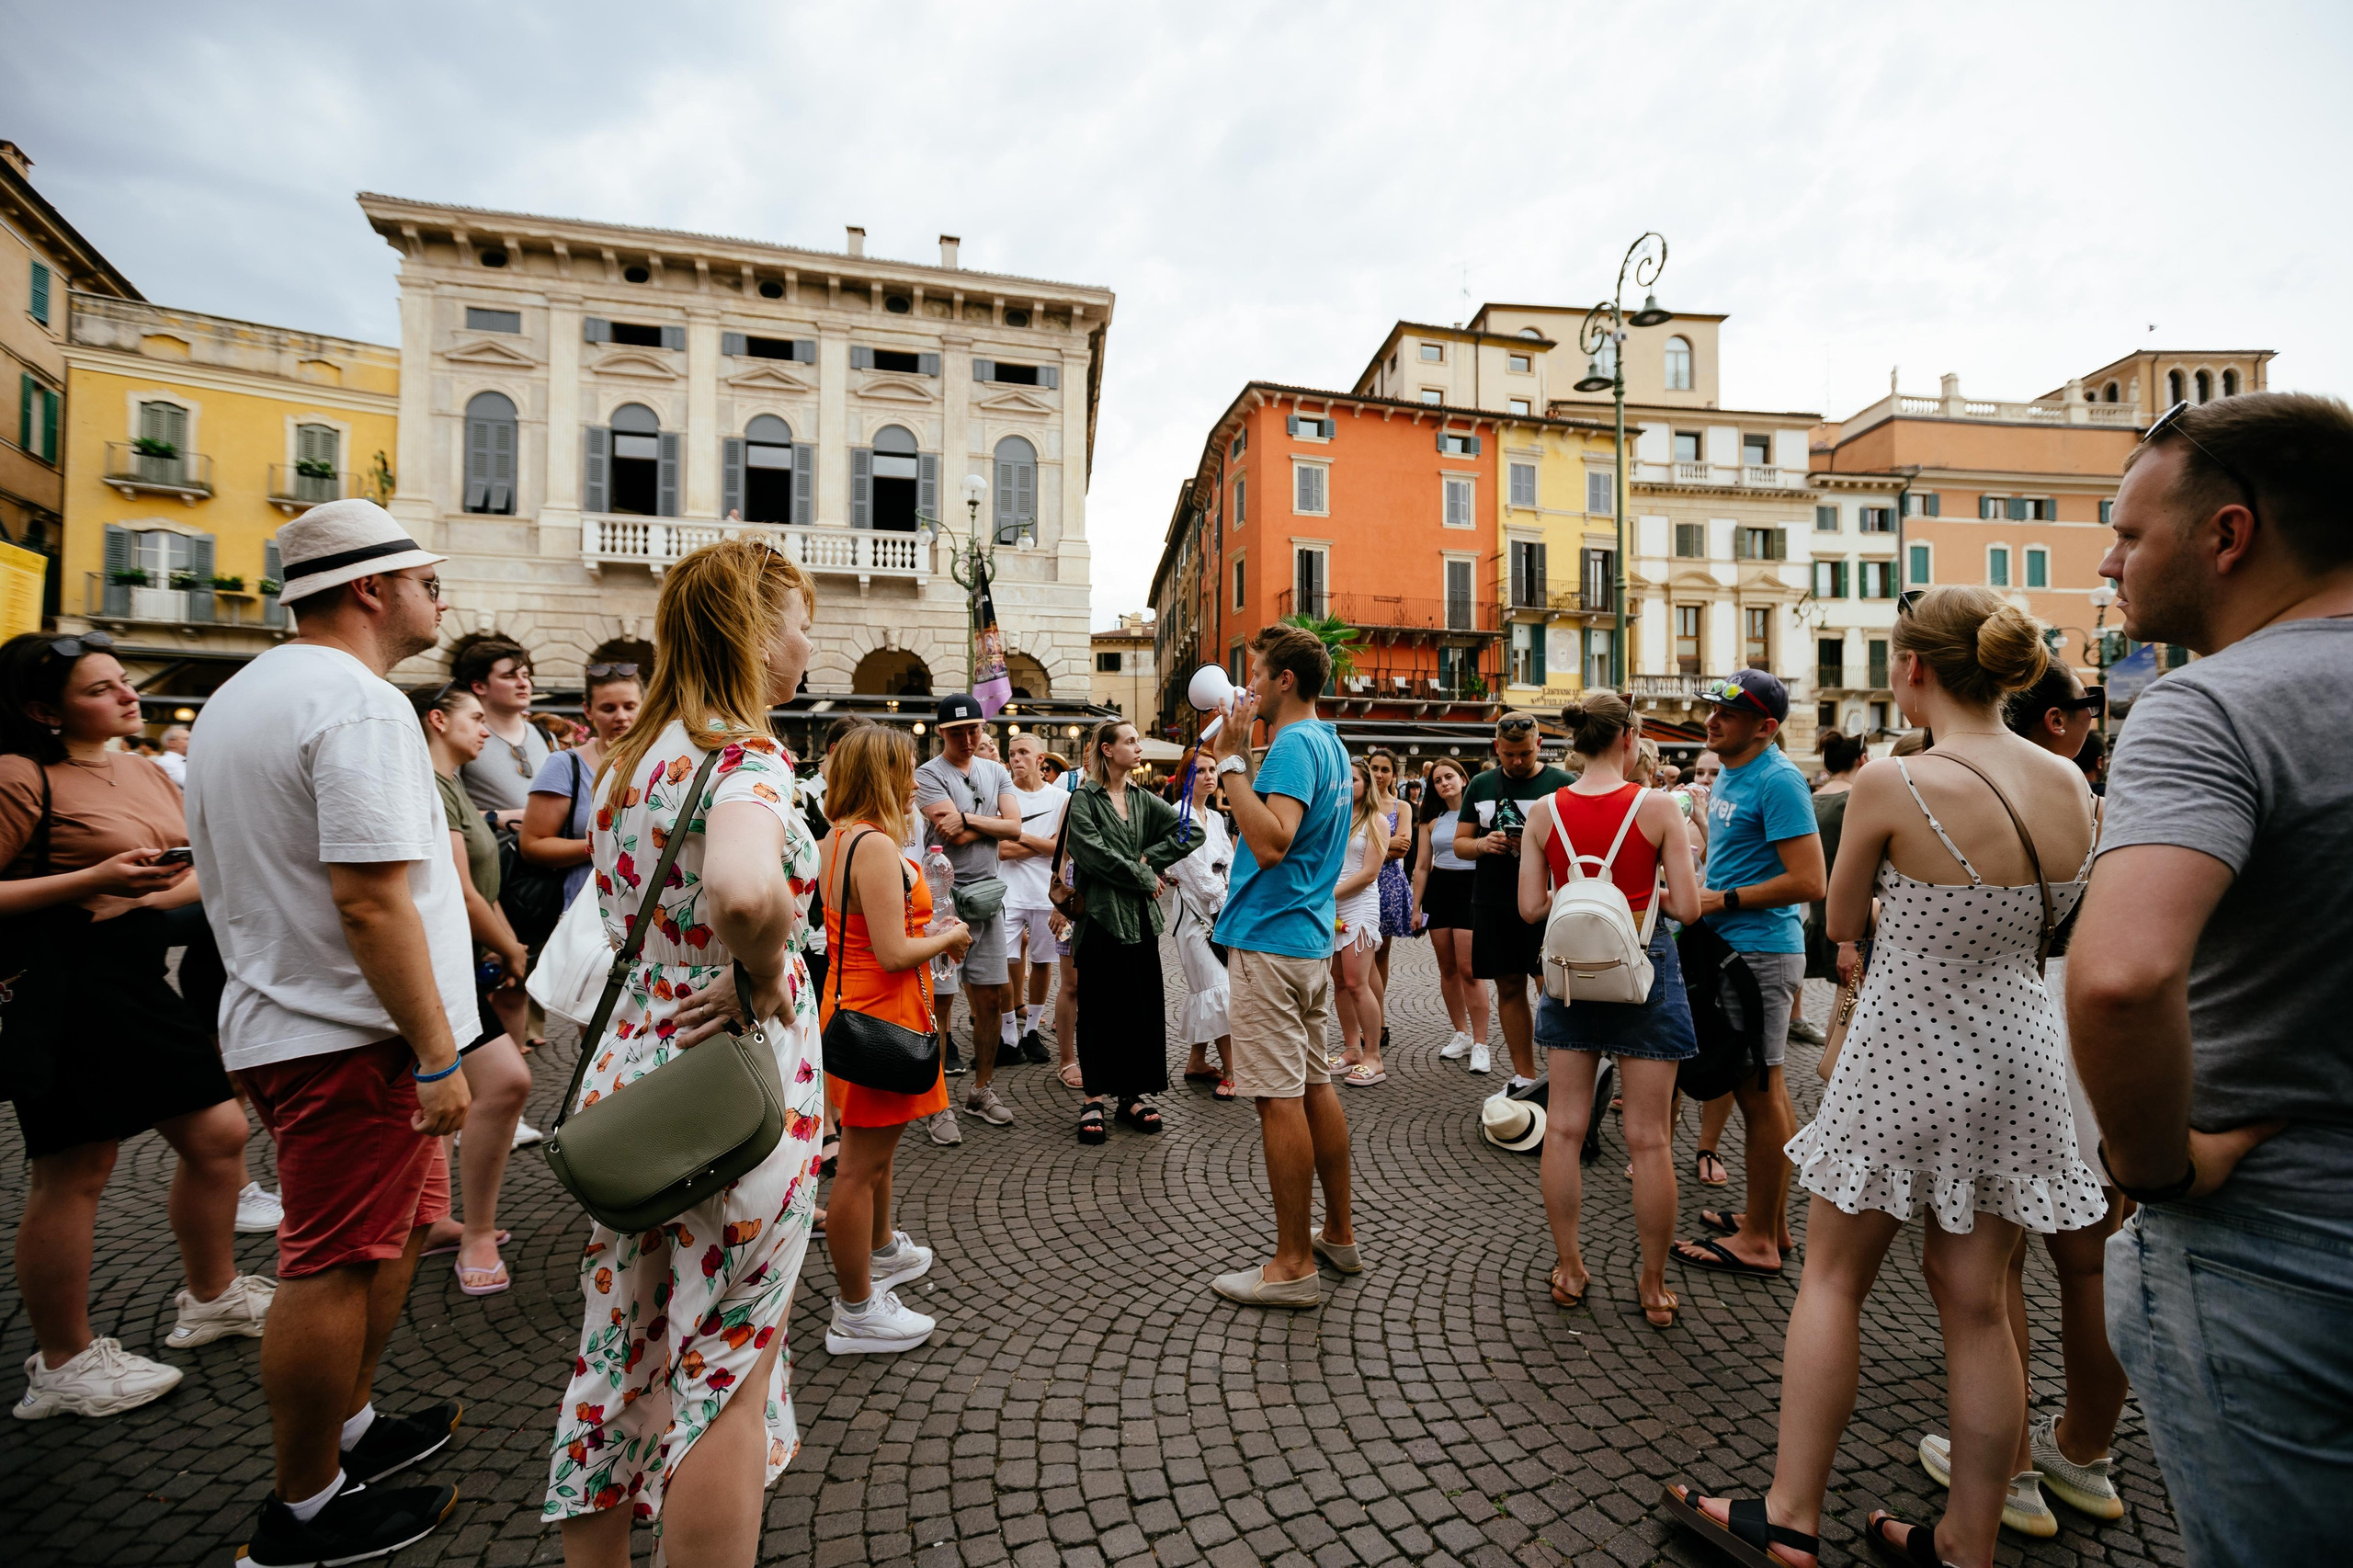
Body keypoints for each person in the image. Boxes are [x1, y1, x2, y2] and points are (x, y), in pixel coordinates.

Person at [1670, 586, 2103, 1568]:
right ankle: (1967, 1540)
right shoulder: (2070, 781)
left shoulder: (1894, 782)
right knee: (1980, 1300)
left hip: (1907, 1045)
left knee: (1831, 1277)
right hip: (2020, 1049)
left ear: (1912, 669)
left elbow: (1840, 920)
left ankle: (1789, 1511)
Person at [2068, 391, 2353, 1566]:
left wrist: (2157, 1166)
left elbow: (2122, 977)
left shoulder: (2209, 705)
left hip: (2274, 1243)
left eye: (2131, 533)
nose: (2110, 559)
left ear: (2227, 536)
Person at [188, 500, 474, 1562]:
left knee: (384, 1240)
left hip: (302, 1019)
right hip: (349, 1033)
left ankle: (350, 1428)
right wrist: (439, 1051)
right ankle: (304, 1506)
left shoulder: (243, 695)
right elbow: (369, 899)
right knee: (331, 1260)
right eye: (426, 581)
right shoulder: (352, 702)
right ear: (370, 588)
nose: (436, 598)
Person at [543, 538, 829, 1568]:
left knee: (620, 1347)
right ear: (755, 632)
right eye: (799, 616)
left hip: (639, 1066)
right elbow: (745, 893)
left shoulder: (631, 758)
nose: (810, 638)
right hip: (734, 1078)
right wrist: (759, 971)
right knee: (727, 1362)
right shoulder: (745, 758)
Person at [1, 631, 270, 1420]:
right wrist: (94, 878)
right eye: (101, 689)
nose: (128, 696)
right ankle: (62, 1362)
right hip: (68, 979)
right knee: (75, 1167)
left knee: (219, 1133)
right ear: (42, 710)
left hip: (133, 971)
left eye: (124, 682)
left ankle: (211, 1296)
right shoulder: (23, 776)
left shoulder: (144, 765)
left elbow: (187, 860)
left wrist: (159, 887)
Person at [1515, 691, 1700, 1327]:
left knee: (1563, 1129)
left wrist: (1580, 888)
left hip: (1569, 974)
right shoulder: (1657, 808)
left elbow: (1532, 910)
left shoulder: (1544, 811)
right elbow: (1690, 908)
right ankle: (1652, 1286)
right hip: (1643, 967)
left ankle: (1569, 1268)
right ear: (1630, 737)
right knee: (1648, 1140)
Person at [1207, 624, 1358, 1307]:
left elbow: (1271, 843)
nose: (1250, 686)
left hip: (1271, 939)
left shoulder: (1293, 745)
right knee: (1316, 1085)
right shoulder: (1329, 743)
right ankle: (1338, 1234)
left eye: (1258, 673)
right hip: (1305, 938)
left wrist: (1232, 763)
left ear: (1285, 681)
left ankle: (1293, 1263)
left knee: (1278, 1098)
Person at [815, 724, 969, 1355]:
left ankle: (879, 1251)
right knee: (857, 1169)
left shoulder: (838, 836)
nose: (914, 781)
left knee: (872, 1155)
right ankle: (856, 1310)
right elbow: (894, 950)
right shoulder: (874, 845)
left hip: (854, 1006)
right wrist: (950, 937)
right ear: (881, 773)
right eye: (906, 768)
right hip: (880, 1016)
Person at [1667, 671, 1824, 1280]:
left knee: (1763, 1095)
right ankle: (1772, 1223)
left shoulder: (1781, 779)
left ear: (1766, 727)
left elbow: (1812, 882)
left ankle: (1760, 1241)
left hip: (1760, 952)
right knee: (1763, 1090)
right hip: (1731, 948)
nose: (1713, 720)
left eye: (1729, 715)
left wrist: (1716, 900)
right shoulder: (1733, 769)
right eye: (1712, 709)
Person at [406, 685, 535, 1298]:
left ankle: (432, 1219)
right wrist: (510, 947)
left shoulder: (451, 782)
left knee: (453, 1092)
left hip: (449, 963)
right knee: (504, 1082)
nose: (485, 730)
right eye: (475, 718)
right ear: (437, 721)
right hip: (433, 967)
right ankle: (473, 1232)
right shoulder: (430, 784)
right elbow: (462, 891)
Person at [1064, 718, 1200, 1142]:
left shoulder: (1143, 798)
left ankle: (1131, 1095)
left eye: (1138, 741)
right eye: (1130, 741)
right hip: (1100, 919)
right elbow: (1091, 855)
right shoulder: (1083, 799)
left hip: (1141, 920)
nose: (1138, 747)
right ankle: (1094, 1097)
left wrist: (1149, 857)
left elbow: (1191, 829)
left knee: (1139, 1007)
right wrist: (1143, 874)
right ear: (1107, 750)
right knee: (1099, 1009)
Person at [914, 694, 1023, 1136]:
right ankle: (937, 1103)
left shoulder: (996, 770)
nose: (967, 738)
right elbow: (948, 832)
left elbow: (1015, 827)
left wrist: (969, 818)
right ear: (941, 733)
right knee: (939, 1005)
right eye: (957, 732)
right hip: (942, 901)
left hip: (988, 898)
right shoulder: (927, 774)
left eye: (974, 729)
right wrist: (987, 819)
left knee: (992, 998)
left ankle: (981, 1090)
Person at [1454, 713, 1574, 1094]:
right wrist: (1482, 844)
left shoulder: (1563, 784)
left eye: (1524, 753)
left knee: (1552, 987)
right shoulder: (1480, 783)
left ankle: (1565, 1076)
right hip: (1493, 899)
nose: (1517, 762)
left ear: (1539, 746)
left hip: (1549, 900)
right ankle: (1524, 1073)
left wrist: (1539, 848)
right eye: (1508, 754)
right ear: (1497, 749)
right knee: (1508, 986)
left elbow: (1582, 846)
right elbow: (1459, 843)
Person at [519, 663, 643, 911]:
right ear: (588, 710)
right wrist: (605, 843)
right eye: (608, 708)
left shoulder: (664, 761)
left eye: (630, 706)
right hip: (587, 911)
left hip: (651, 911)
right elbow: (532, 845)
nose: (621, 716)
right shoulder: (566, 765)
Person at [1411, 756, 1488, 1070]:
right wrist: (1415, 907)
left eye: (1449, 777)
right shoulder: (1431, 820)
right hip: (1440, 888)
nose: (1444, 783)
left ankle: (1482, 1043)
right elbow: (1421, 865)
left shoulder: (1482, 816)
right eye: (1438, 780)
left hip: (1471, 888)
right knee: (1447, 968)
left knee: (1470, 969)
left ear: (1463, 779)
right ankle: (1462, 1034)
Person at [1165, 749, 1234, 1095]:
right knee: (1217, 986)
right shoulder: (1178, 815)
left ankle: (1196, 1061)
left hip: (1220, 909)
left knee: (1208, 987)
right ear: (1186, 777)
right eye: (1201, 771)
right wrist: (1222, 895)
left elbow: (1229, 860)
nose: (1209, 776)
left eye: (1213, 770)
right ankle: (1234, 1070)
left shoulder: (1217, 818)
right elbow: (1191, 869)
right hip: (1194, 913)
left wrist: (1229, 895)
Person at [996, 733, 1066, 1065]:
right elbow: (1001, 849)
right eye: (1012, 753)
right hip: (1008, 892)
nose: (1016, 759)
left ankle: (1032, 1030)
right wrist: (1042, 842)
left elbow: (1062, 849)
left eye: (1024, 752)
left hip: (1045, 893)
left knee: (1042, 962)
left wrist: (1020, 836)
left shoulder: (1061, 798)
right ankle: (1009, 1031)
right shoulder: (1003, 798)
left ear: (1041, 759)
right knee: (1006, 962)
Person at [1327, 758, 1390, 1086]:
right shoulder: (1333, 818)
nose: (1346, 785)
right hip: (1331, 905)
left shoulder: (1376, 821)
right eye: (1342, 780)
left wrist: (1329, 895)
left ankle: (1373, 1056)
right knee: (1338, 981)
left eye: (1352, 779)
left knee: (1356, 982)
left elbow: (1369, 873)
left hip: (1359, 905)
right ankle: (1351, 1048)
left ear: (1366, 784)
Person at [451, 638, 545, 829]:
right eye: (509, 676)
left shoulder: (547, 737)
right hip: (494, 855)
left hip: (547, 854)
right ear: (479, 686)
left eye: (525, 675)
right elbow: (443, 810)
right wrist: (493, 817)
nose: (523, 683)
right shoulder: (460, 738)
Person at [1801, 730, 1865, 984]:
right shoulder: (1855, 799)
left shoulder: (1811, 800)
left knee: (1843, 1001)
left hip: (1819, 916)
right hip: (1853, 920)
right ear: (1862, 759)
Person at [153, 722, 190, 787]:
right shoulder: (166, 762)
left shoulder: (186, 760)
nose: (192, 741)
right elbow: (189, 784)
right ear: (172, 743)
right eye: (187, 739)